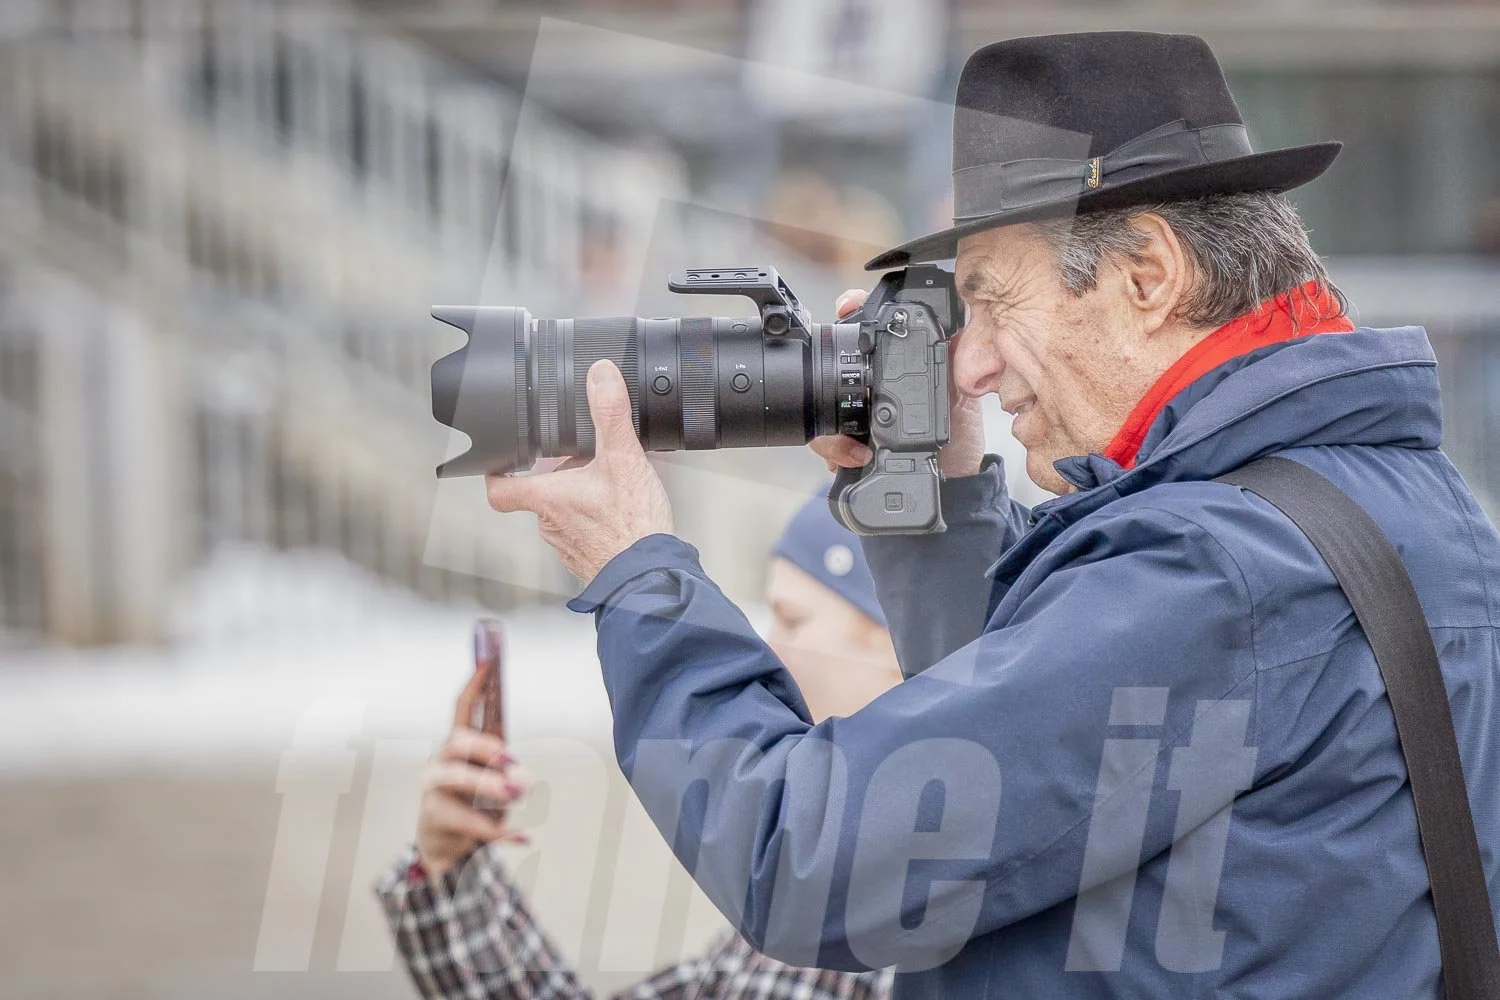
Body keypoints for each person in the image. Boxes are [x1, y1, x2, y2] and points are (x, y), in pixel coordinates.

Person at [483, 32, 1500, 998]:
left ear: (1147, 274)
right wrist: (939, 499)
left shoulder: (1211, 569)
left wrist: (635, 568)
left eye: (994, 298)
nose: (967, 361)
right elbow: (1058, 776)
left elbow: (805, 854)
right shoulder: (1410, 503)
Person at [375, 491, 901, 999]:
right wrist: (451, 868)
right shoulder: (835, 865)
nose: (772, 647)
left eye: (792, 619)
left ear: (898, 637)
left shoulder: (886, 902)